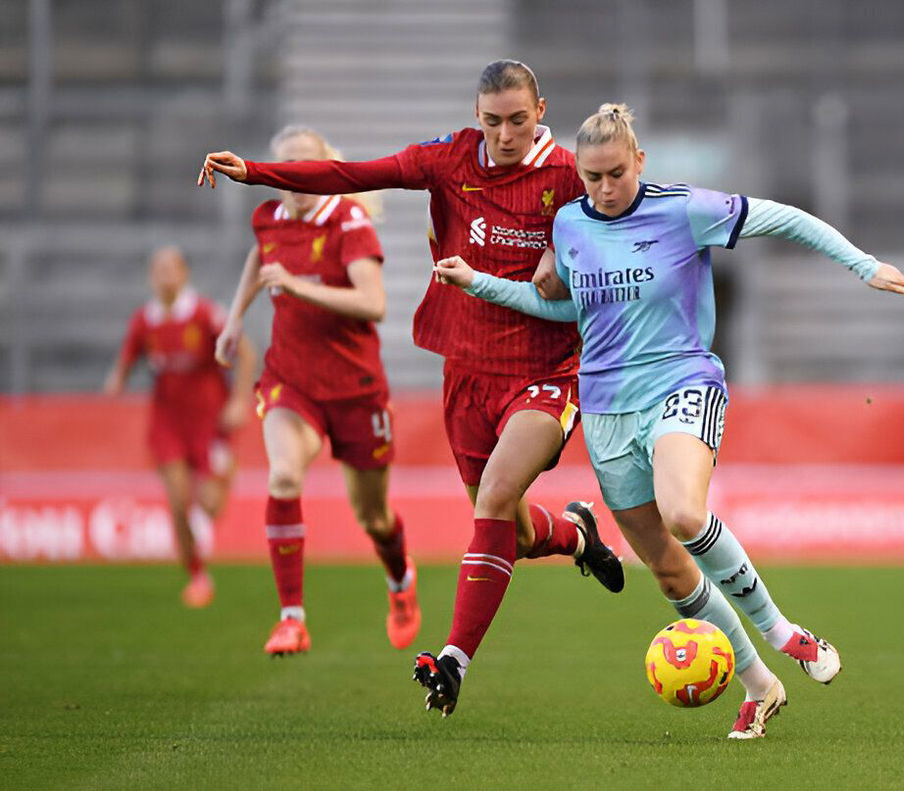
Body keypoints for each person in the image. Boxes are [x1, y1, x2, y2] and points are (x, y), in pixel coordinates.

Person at [434, 103, 904, 739]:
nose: (605, 189)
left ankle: (785, 633)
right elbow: (566, 311)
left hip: (681, 381)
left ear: (640, 160)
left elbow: (789, 219)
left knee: (685, 513)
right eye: (591, 178)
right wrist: (479, 283)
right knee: (667, 568)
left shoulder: (685, 209)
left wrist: (866, 266)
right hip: (606, 407)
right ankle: (759, 686)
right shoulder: (570, 225)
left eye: (616, 173)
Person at [198, 61, 624, 704]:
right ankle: (574, 533)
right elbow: (351, 174)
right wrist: (257, 172)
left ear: (541, 109)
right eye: (492, 121)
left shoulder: (569, 174)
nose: (505, 134)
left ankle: (452, 659)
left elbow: (622, 218)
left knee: (494, 499)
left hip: (545, 373)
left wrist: (565, 252)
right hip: (466, 372)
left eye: (518, 119)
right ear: (476, 116)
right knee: (510, 524)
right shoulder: (447, 159)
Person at [211, 125, 420, 656]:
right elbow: (262, 257)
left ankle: (400, 580)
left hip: (355, 387)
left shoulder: (348, 221)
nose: (299, 179)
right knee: (283, 476)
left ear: (326, 168)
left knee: (373, 517)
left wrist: (299, 285)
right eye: (290, 169)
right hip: (292, 379)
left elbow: (373, 304)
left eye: (309, 167)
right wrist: (235, 318)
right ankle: (291, 619)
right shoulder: (271, 218)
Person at [104, 245, 255, 607]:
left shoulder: (204, 313)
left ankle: (225, 471)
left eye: (171, 268)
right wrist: (117, 380)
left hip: (209, 422)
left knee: (210, 505)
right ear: (151, 277)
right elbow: (128, 357)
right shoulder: (145, 320)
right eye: (159, 269)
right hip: (168, 421)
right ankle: (198, 575)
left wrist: (238, 401)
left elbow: (246, 353)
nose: (165, 275)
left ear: (184, 273)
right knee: (177, 500)